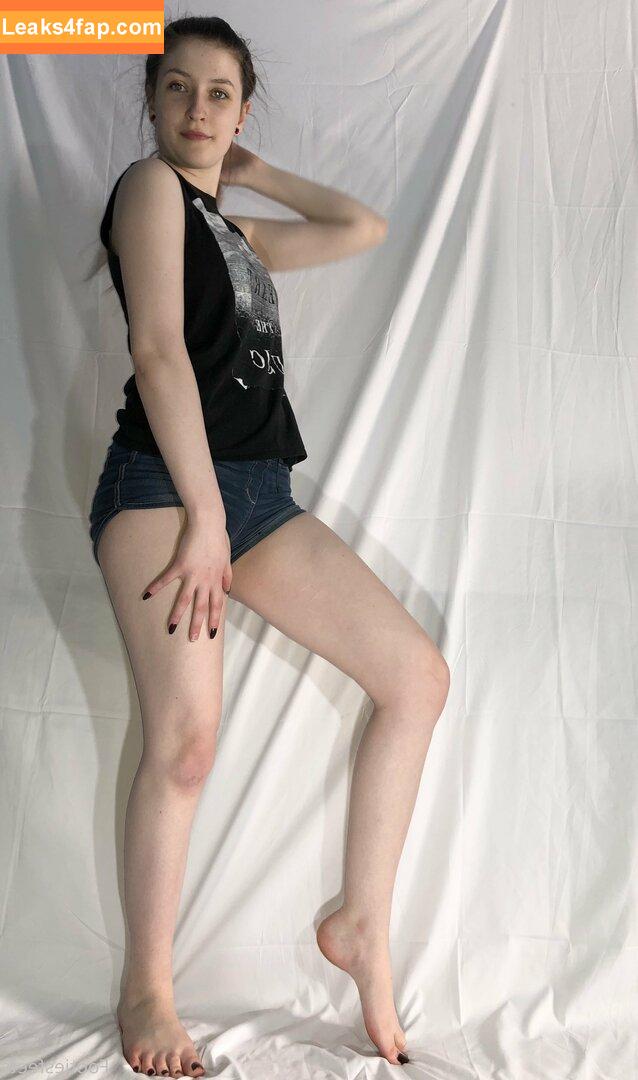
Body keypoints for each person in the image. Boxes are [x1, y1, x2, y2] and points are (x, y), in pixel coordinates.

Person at [91, 15, 450, 1078]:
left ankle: (359, 924)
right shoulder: (148, 191)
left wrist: (252, 171)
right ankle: (147, 991)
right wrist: (203, 519)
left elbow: (359, 225)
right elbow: (159, 350)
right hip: (164, 488)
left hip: (254, 494)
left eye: (219, 94)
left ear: (242, 111)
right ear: (151, 101)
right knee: (186, 745)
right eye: (177, 88)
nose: (195, 110)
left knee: (415, 679)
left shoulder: (234, 233)